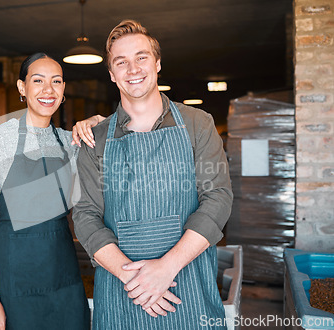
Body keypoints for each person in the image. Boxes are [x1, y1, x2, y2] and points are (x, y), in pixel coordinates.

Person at [72, 20, 233, 329]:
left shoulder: (198, 124)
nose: (133, 68)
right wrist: (135, 279)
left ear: (157, 63)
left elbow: (218, 199)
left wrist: (165, 269)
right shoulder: (94, 139)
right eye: (122, 62)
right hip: (123, 295)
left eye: (141, 57)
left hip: (189, 287)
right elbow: (85, 215)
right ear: (111, 74)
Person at [0, 53, 103, 330]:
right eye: (38, 80)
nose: (48, 90)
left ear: (64, 89)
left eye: (56, 81)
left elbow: (116, 132)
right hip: (15, 283)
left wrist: (94, 121)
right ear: (22, 88)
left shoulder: (71, 142)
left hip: (64, 277)